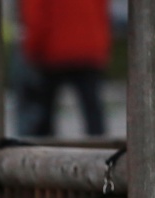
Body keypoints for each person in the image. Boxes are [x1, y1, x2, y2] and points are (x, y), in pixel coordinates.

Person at [19, 0, 111, 137]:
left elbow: (36, 16)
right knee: (93, 112)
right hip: (88, 47)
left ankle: (44, 148)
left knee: (43, 115)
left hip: (52, 50)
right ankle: (102, 146)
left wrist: (31, 51)